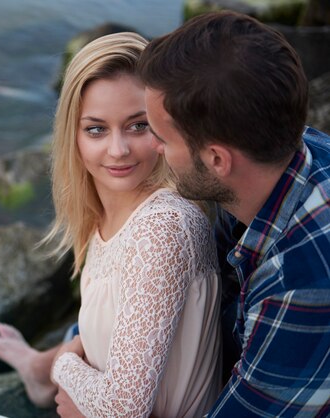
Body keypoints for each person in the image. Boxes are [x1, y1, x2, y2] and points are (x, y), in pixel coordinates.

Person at [0, 31, 222, 417]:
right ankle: (37, 370)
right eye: (96, 129)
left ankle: (40, 372)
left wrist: (63, 366)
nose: (117, 150)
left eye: (138, 125)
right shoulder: (105, 219)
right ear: (72, 136)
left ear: (163, 125)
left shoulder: (163, 227)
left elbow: (123, 410)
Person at [136, 10, 330, 417]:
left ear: (217, 159)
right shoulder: (292, 152)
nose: (153, 148)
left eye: (162, 137)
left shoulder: (300, 285)